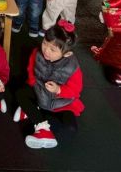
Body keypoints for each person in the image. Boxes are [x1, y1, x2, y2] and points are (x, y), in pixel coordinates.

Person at [13, 20, 84, 149]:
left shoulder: (73, 67)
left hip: (60, 104)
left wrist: (59, 90)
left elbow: (76, 90)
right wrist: (32, 82)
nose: (46, 50)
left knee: (70, 129)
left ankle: (34, 115)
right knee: (20, 93)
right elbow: (31, 68)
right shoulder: (37, 53)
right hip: (39, 92)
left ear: (67, 54)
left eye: (53, 49)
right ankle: (42, 127)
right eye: (45, 43)